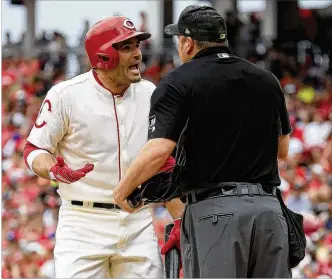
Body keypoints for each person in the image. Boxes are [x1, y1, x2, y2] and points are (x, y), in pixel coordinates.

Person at [114, 5, 293, 278]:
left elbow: (159, 149)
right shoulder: (266, 79)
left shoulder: (178, 81)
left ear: (187, 42)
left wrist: (123, 190)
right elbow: (282, 150)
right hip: (268, 211)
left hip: (215, 212)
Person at [23, 16, 165, 278]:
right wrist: (53, 170)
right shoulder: (66, 94)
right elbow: (34, 150)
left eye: (137, 46)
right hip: (83, 221)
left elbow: (164, 157)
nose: (137, 54)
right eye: (126, 47)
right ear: (103, 56)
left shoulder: (150, 92)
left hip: (137, 219)